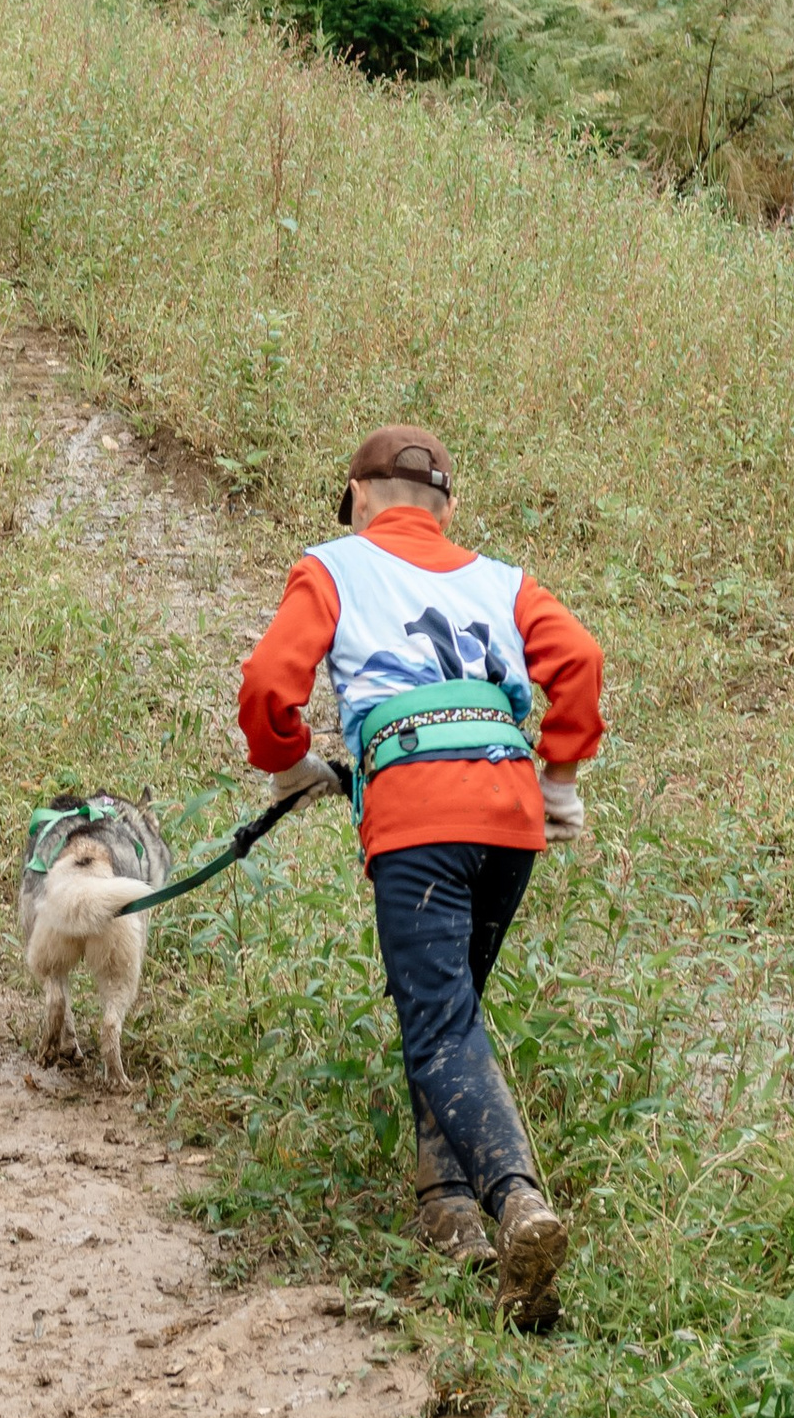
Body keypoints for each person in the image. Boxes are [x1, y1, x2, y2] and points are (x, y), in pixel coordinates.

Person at [235, 424, 602, 1325]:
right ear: (448, 509)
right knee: (452, 1011)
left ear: (359, 496)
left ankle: (517, 1202)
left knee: (437, 1024)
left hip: (419, 817)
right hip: (508, 816)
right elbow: (582, 661)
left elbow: (266, 684)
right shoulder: (500, 582)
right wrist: (559, 778)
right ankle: (446, 1210)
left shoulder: (334, 566)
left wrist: (288, 764)